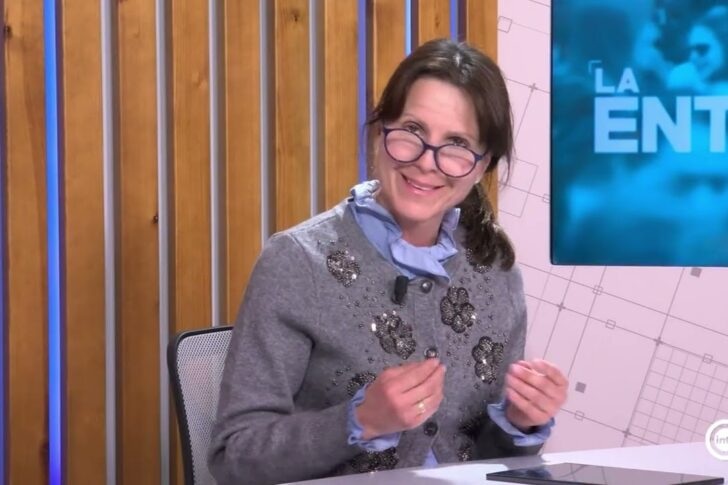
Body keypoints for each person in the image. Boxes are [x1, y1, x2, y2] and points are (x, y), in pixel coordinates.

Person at [208, 38, 568, 485]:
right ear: (381, 132)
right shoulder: (297, 262)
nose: (427, 163)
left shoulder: (496, 271)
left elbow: (490, 466)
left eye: (456, 144)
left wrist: (520, 422)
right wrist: (359, 420)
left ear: (481, 166)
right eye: (413, 130)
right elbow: (234, 457)